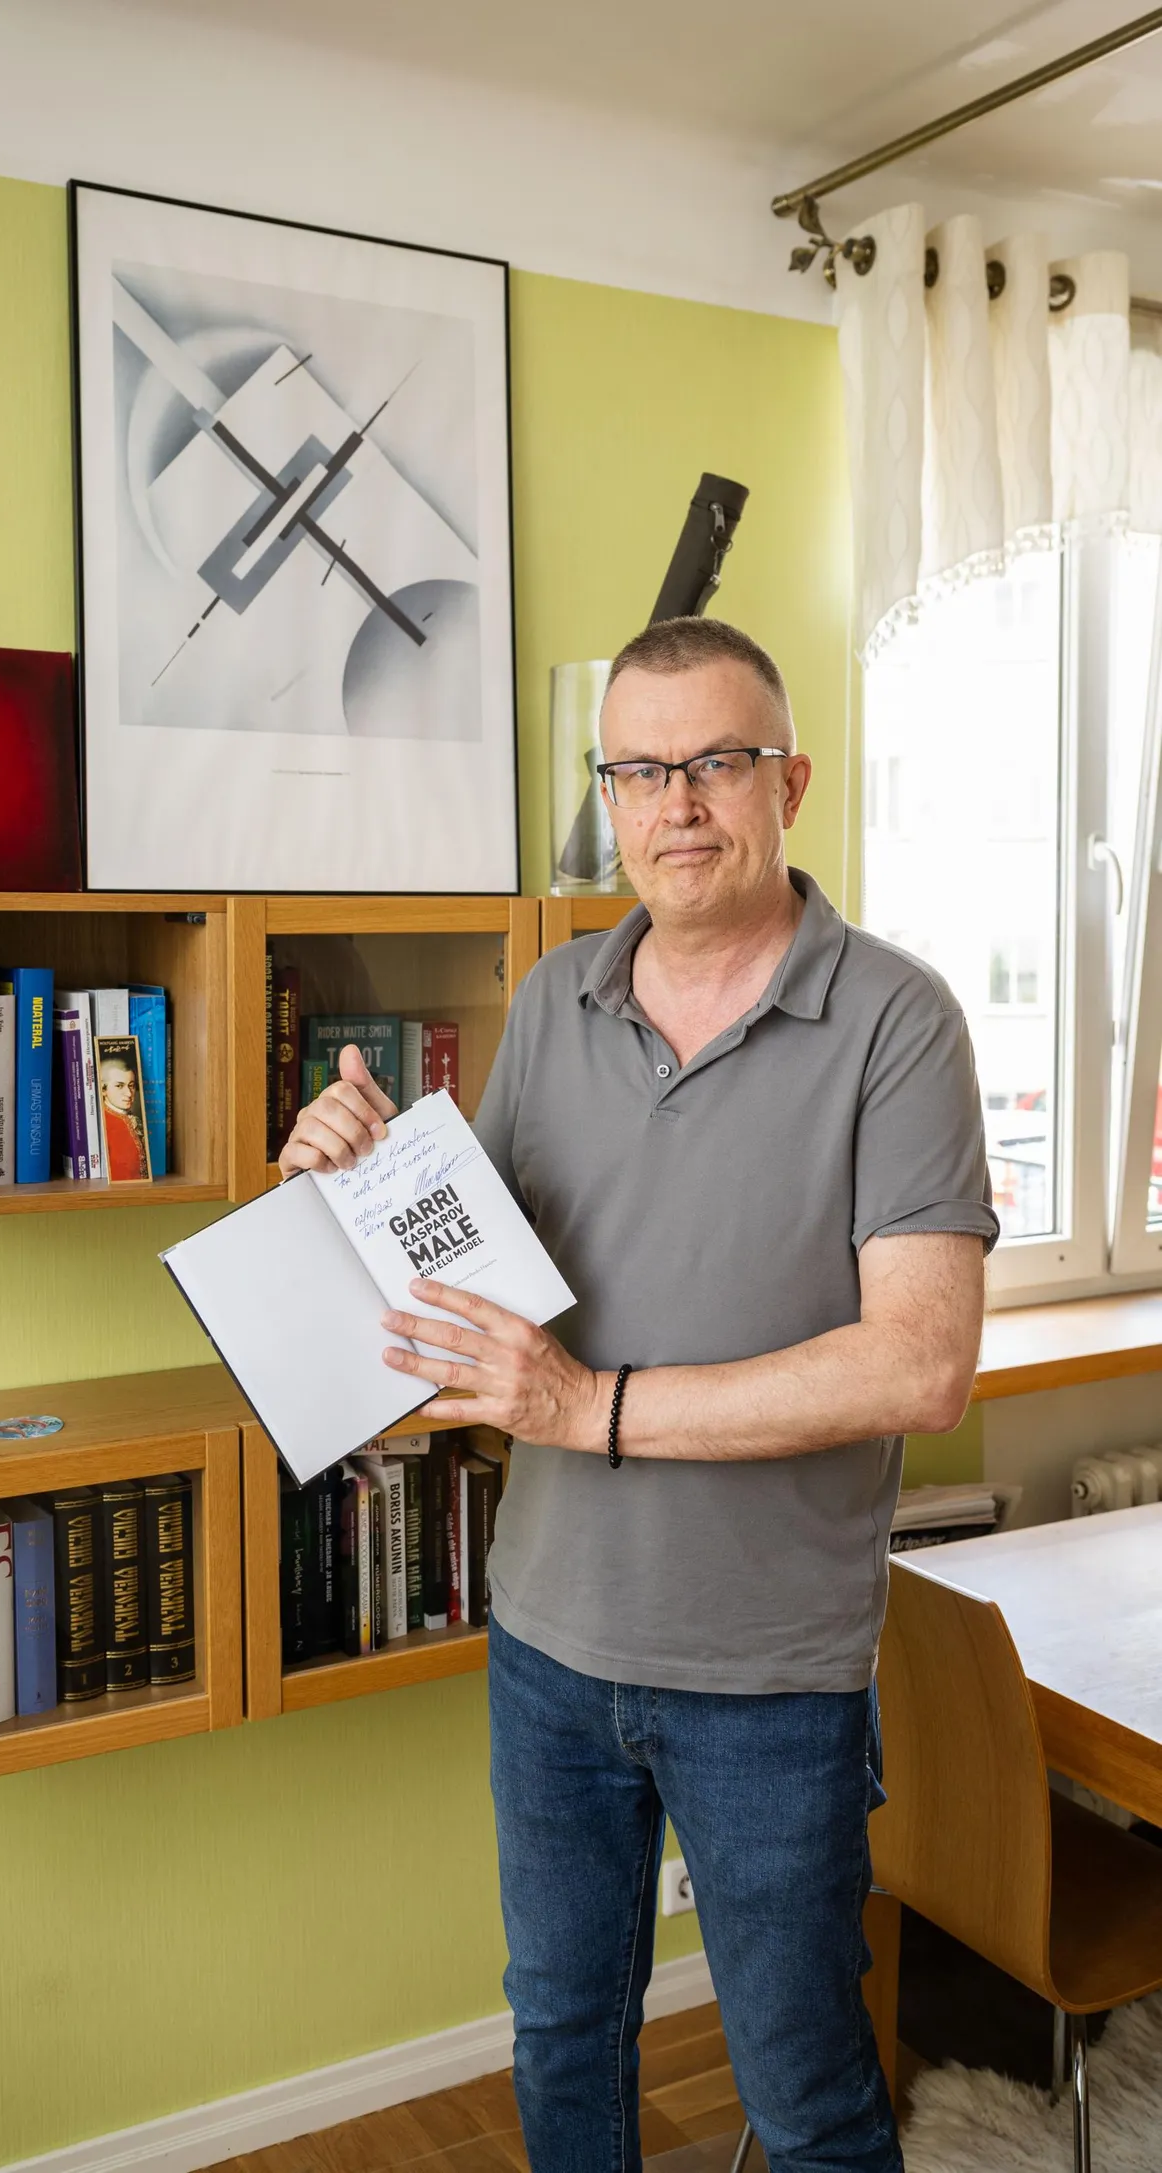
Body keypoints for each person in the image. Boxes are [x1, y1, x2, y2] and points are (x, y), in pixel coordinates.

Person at [278, 616, 997, 2173]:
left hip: (770, 1679)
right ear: (609, 796)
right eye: (639, 769)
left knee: (804, 2093)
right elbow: (472, 1298)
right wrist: (344, 1184)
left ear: (787, 781)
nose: (676, 802)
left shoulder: (897, 1020)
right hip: (546, 1646)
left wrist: (585, 1407)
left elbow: (919, 1362)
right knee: (560, 2038)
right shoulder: (549, 1001)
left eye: (716, 762)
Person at [98, 1053, 147, 1180]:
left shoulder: (131, 1118)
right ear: (103, 1089)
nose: (129, 1093)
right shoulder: (101, 1122)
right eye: (119, 1086)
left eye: (131, 1085)